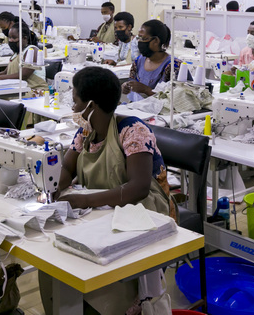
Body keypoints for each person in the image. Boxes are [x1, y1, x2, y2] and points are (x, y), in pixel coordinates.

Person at [40, 67, 176, 314]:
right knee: (54, 255)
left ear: (90, 105)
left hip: (143, 213)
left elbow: (138, 189)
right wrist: (58, 193)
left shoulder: (134, 130)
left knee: (97, 264)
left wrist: (82, 201)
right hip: (105, 208)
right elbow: (67, 168)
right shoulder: (86, 131)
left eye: (75, 101)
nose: (72, 107)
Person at [123, 20, 185, 101]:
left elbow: (179, 99)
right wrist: (126, 86)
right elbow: (131, 82)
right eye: (138, 38)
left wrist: (146, 90)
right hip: (138, 109)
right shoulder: (138, 61)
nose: (139, 42)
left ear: (156, 41)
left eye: (143, 38)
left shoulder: (174, 66)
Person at [0, 21, 47, 93]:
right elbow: (5, 72)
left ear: (24, 38)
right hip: (21, 89)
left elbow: (24, 75)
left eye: (14, 38)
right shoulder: (16, 54)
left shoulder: (32, 51)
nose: (11, 40)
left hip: (35, 90)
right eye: (9, 38)